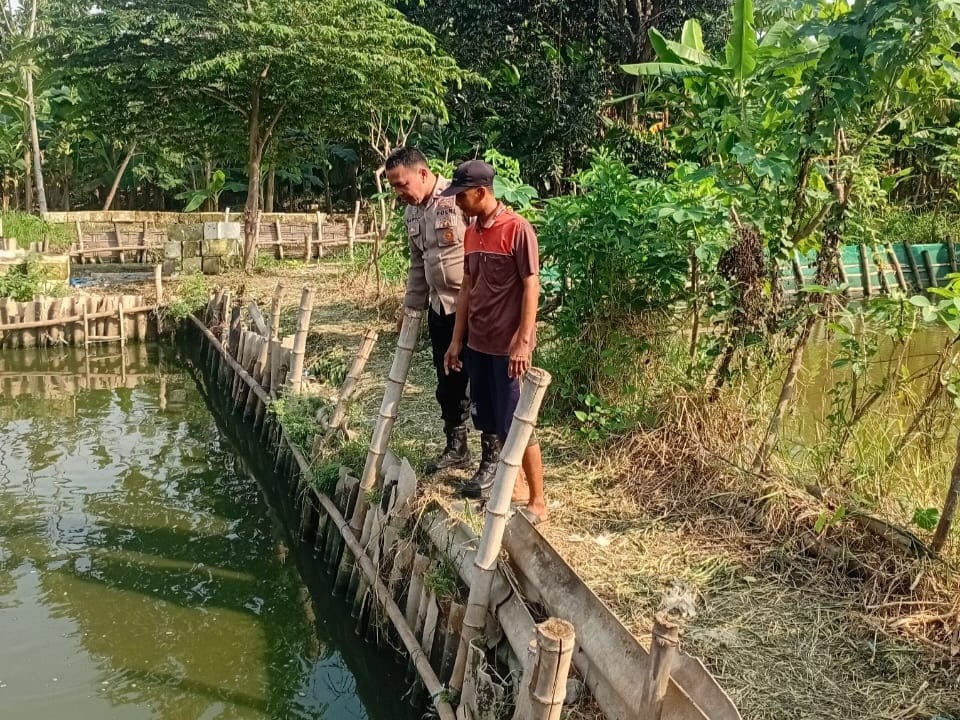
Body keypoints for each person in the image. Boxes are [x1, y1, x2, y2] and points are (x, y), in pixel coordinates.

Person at [441, 160, 547, 523]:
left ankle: (537, 501)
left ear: (481, 192)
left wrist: (523, 340)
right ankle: (510, 488)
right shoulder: (471, 233)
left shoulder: (518, 230)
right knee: (488, 419)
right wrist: (457, 341)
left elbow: (531, 285)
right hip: (478, 345)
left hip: (507, 348)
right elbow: (467, 287)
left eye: (462, 196)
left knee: (517, 423)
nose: (457, 204)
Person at [385, 147, 473, 475]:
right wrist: (410, 308)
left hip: (473, 307)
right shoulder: (411, 213)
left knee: (482, 382)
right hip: (440, 308)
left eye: (401, 184)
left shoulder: (459, 199)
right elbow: (417, 266)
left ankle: (496, 454)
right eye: (393, 186)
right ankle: (457, 446)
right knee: (447, 381)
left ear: (422, 174)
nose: (398, 193)